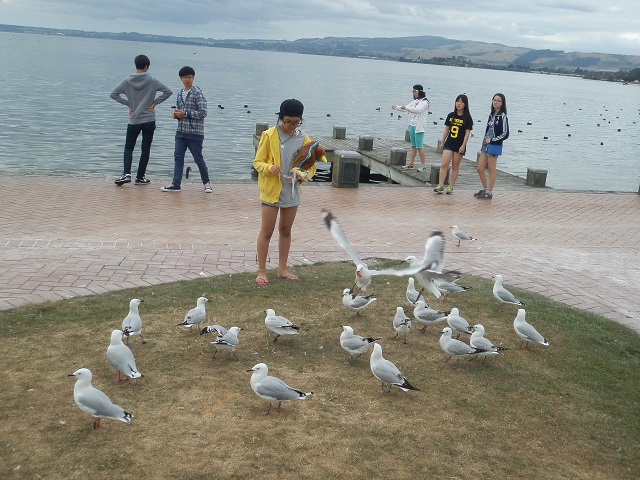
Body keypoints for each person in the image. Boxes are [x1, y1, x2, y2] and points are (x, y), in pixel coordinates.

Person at [253, 99, 324, 285]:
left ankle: (282, 269)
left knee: (285, 230)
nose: (292, 126)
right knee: (266, 231)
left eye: (296, 122)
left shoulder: (304, 140)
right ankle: (262, 271)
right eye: (288, 122)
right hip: (271, 191)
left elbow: (311, 166)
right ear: (280, 118)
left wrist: (304, 174)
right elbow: (257, 162)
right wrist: (269, 168)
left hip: (291, 191)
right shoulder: (269, 135)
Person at [110, 54, 172, 186]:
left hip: (134, 120)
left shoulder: (127, 81)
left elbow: (113, 94)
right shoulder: (152, 80)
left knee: (129, 148)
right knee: (145, 149)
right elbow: (168, 91)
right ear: (147, 66)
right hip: (149, 120)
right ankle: (140, 177)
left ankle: (126, 174)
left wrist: (128, 104)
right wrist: (154, 103)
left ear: (136, 65)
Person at [161, 66, 212, 193]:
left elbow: (203, 112)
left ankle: (207, 183)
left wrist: (185, 114)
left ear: (193, 78)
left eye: (190, 77)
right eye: (185, 77)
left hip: (195, 133)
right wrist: (175, 114)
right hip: (180, 132)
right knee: (178, 158)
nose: (187, 79)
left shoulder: (197, 93)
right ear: (180, 78)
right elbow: (179, 110)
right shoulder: (180, 93)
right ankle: (176, 184)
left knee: (198, 159)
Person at [434, 94, 473, 194]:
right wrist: (442, 141)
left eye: (461, 102)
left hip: (459, 145)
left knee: (455, 166)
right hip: (449, 143)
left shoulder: (467, 118)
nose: (459, 104)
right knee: (444, 164)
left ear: (465, 104)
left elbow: (467, 133)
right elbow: (446, 129)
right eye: (457, 101)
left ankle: (451, 186)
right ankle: (440, 185)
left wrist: (463, 145)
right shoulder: (451, 115)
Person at [475, 93, 509, 200]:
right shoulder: (491, 114)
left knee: (491, 169)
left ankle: (489, 192)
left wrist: (493, 140)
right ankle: (485, 189)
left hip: (494, 145)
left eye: (498, 101)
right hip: (485, 144)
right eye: (494, 100)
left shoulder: (502, 116)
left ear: (502, 103)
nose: (496, 102)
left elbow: (505, 134)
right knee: (480, 168)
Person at [392, 84, 430, 172]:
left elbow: (418, 110)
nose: (413, 93)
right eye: (413, 91)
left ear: (420, 92)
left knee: (419, 147)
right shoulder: (415, 101)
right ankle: (411, 163)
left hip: (419, 127)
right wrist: (397, 107)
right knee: (413, 146)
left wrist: (407, 107)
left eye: (415, 91)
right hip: (412, 125)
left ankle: (423, 166)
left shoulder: (425, 102)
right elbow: (406, 108)